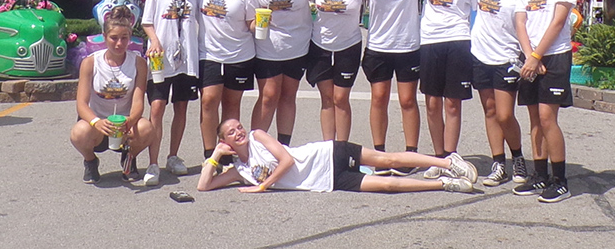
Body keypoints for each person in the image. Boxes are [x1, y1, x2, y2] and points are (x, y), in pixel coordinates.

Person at [197, 118, 478, 194]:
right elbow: (204, 186)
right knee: (388, 186)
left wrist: (263, 186)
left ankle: (447, 162)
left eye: (238, 127)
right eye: (231, 133)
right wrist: (215, 157)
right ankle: (444, 183)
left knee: (388, 160)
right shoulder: (239, 171)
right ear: (225, 141)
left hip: (329, 154)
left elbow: (287, 161)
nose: (239, 132)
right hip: (327, 181)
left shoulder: (259, 136)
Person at [235, 0, 328, 145]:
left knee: (288, 96)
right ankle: (257, 147)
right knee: (268, 96)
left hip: (298, 44)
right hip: (267, 43)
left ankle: (283, 146)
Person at [513, 0, 577, 203]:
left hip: (554, 55)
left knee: (548, 117)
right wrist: (529, 55)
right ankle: (538, 173)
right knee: (534, 119)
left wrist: (538, 56)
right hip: (530, 56)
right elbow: (520, 20)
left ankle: (559, 179)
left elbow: (559, 21)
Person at [357, 0, 423, 168]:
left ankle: (411, 153)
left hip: (407, 45)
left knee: (408, 100)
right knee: (379, 98)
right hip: (378, 45)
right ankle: (380, 153)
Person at [142, 0, 204, 187]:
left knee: (181, 108)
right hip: (160, 59)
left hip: (187, 59)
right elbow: (147, 22)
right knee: (156, 108)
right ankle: (152, 162)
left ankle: (173, 156)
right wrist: (155, 41)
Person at [70, 5, 153, 183]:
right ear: (105, 37)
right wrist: (96, 122)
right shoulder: (90, 62)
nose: (119, 43)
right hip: (98, 123)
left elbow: (138, 102)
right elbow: (82, 104)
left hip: (124, 123)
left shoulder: (138, 63)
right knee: (78, 133)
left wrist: (129, 121)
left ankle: (129, 158)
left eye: (124, 38)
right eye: (114, 38)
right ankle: (90, 161)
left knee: (146, 128)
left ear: (130, 38)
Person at [417, 0, 475, 177]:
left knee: (452, 103)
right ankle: (438, 157)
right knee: (431, 103)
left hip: (459, 39)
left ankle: (451, 157)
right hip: (430, 40)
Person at [471, 0, 528, 188]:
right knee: (490, 111)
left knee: (505, 115)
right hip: (480, 53)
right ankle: (498, 163)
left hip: (508, 56)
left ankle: (518, 157)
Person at [198, 0, 259, 159]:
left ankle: (230, 152)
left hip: (239, 55)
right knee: (208, 101)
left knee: (232, 104)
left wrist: (261, 25)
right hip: (210, 54)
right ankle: (210, 153)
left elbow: (251, 22)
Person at [307, 0, 367, 140]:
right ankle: (328, 147)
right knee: (326, 99)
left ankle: (342, 147)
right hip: (320, 45)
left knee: (340, 99)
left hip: (348, 45)